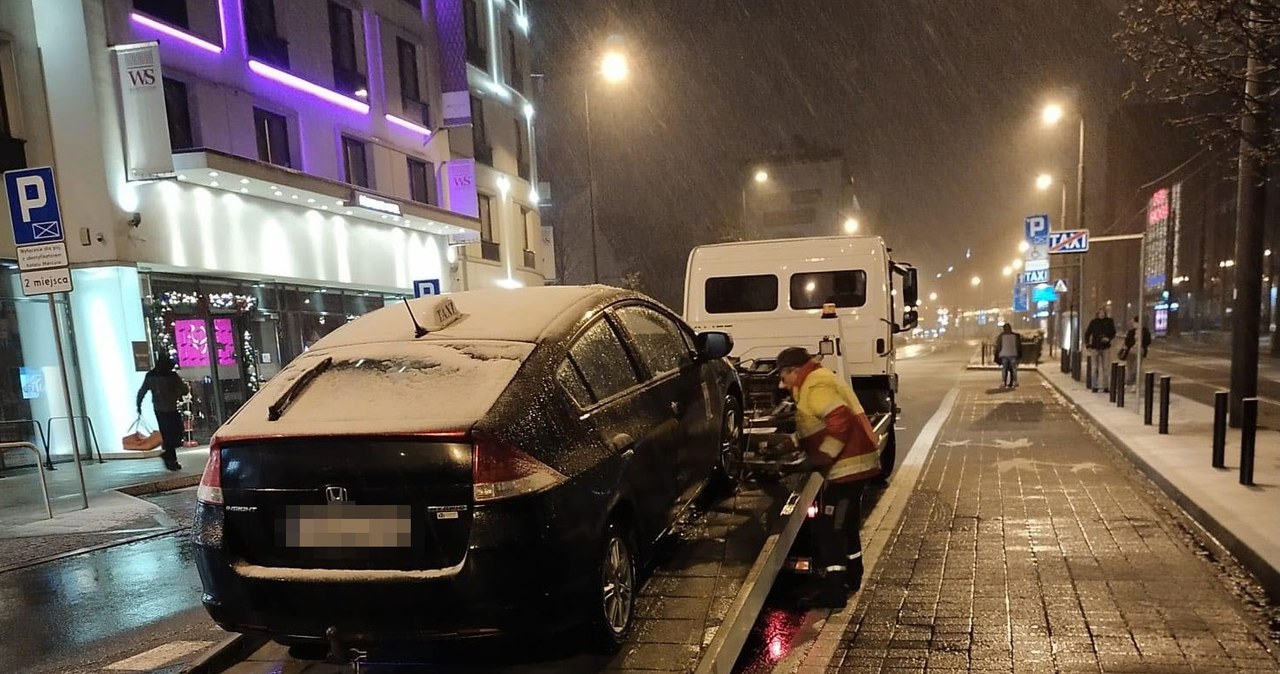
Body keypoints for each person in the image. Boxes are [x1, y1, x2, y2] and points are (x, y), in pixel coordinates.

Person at [776, 347, 881, 609]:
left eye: (783, 376)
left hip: (848, 467)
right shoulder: (815, 382)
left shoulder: (816, 384)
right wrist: (785, 445)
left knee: (829, 528)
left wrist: (821, 458)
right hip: (852, 464)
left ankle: (834, 591)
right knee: (845, 526)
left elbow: (839, 422)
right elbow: (816, 427)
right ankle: (852, 576)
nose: (781, 383)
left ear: (794, 370)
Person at [136, 354, 189, 471]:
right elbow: (184, 390)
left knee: (167, 435)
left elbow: (142, 391)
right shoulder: (172, 376)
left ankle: (170, 458)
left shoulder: (150, 376)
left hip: (159, 409)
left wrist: (138, 405)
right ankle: (170, 458)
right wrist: (177, 392)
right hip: (171, 408)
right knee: (176, 433)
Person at [1084, 308, 1116, 393]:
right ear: (1097, 314)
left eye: (1103, 313)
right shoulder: (1094, 322)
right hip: (1095, 347)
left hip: (1105, 347)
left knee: (1106, 367)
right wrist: (1088, 345)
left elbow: (1113, 332)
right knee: (1094, 368)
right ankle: (1094, 386)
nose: (1101, 314)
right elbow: (1087, 333)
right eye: (1100, 313)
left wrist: (1108, 338)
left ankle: (1106, 386)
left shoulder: (1109, 322)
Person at [1121, 317, 1152, 386]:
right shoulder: (1131, 331)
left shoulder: (1145, 331)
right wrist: (1131, 344)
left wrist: (1142, 344)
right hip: (1131, 351)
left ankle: (1130, 382)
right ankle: (1130, 382)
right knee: (1129, 368)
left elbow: (1148, 341)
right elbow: (1127, 341)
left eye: (1134, 322)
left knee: (1135, 369)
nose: (1133, 324)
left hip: (1140, 351)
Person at [995, 323, 1022, 388]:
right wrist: (1019, 354)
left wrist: (998, 353)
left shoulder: (1001, 336)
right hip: (1013, 354)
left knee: (1004, 369)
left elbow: (999, 346)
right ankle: (1014, 382)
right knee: (1014, 369)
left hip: (1004, 354)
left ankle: (1003, 382)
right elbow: (1018, 346)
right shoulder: (1015, 336)